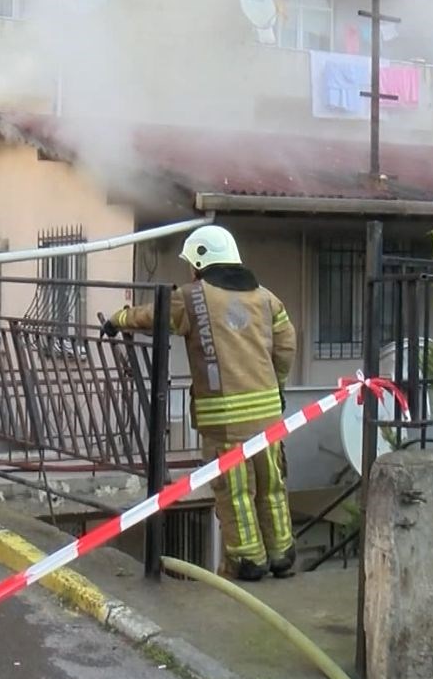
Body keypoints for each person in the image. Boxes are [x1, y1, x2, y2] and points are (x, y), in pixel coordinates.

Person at [101, 225, 299, 581]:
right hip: (269, 415)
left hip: (225, 421)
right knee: (271, 485)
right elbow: (287, 345)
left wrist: (119, 319)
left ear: (199, 261)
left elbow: (153, 314)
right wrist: (278, 385)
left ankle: (248, 560)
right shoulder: (267, 298)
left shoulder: (191, 298)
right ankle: (282, 554)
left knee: (236, 491)